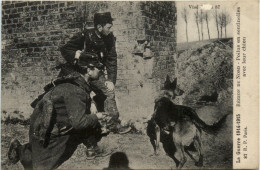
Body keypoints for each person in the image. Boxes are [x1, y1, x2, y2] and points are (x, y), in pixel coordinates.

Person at [7, 54, 111, 169]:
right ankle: (21, 150)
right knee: (44, 165)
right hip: (46, 128)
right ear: (89, 70)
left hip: (47, 122)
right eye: (98, 68)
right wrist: (98, 116)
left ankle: (19, 149)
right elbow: (79, 122)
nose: (101, 71)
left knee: (48, 154)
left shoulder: (76, 81)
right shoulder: (75, 90)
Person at [58, 12, 131, 135]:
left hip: (96, 73)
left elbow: (112, 60)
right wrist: (77, 55)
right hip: (79, 72)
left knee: (109, 92)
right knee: (76, 96)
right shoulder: (84, 35)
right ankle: (77, 126)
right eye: (108, 27)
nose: (110, 29)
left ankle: (112, 124)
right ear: (99, 27)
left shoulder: (109, 39)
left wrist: (111, 80)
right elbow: (65, 49)